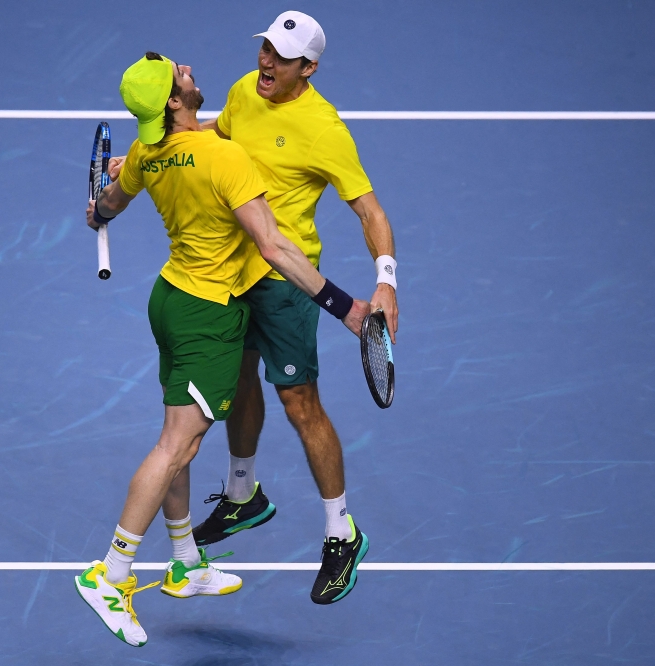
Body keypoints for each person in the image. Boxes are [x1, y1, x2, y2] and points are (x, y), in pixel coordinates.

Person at [75, 52, 369, 647]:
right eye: (180, 73)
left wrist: (96, 209)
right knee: (176, 447)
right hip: (207, 314)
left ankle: (185, 562)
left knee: (180, 437)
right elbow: (275, 247)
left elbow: (108, 205)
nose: (188, 70)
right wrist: (344, 307)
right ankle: (110, 574)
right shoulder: (223, 158)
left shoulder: (147, 152)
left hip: (170, 300)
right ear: (174, 100)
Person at [113, 11, 400, 606]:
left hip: (288, 280)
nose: (266, 61)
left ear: (308, 68)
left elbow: (370, 210)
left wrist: (386, 279)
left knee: (300, 403)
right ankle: (244, 496)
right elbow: (217, 134)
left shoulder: (324, 130)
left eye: (281, 56)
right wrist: (153, 152)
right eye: (265, 47)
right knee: (240, 382)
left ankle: (342, 532)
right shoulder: (247, 88)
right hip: (229, 273)